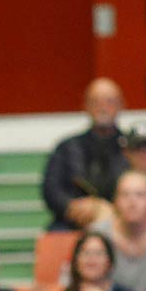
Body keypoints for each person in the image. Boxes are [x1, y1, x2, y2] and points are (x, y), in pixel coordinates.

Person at [42, 79, 128, 230]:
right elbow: (51, 189)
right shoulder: (66, 148)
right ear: (85, 106)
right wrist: (73, 207)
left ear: (122, 106)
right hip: (72, 221)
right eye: (96, 102)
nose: (103, 107)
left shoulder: (131, 147)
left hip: (123, 220)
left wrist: (107, 210)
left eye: (109, 101)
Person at [92, 170, 146, 291]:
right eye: (125, 195)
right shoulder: (97, 234)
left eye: (140, 195)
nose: (132, 202)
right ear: (115, 201)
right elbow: (75, 281)